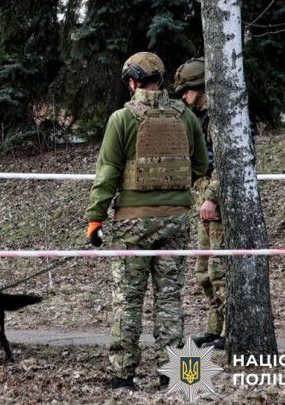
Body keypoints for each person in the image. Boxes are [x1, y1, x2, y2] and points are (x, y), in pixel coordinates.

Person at [85, 52, 208, 391]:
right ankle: (173, 376)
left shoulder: (122, 118)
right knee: (170, 299)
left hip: (132, 224)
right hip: (176, 222)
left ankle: (123, 377)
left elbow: (107, 172)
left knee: (128, 300)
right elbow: (200, 166)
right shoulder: (186, 117)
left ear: (133, 81)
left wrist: (96, 218)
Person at [174, 57, 227, 350]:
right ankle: (213, 328)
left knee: (219, 271)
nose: (183, 96)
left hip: (216, 201)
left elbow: (226, 162)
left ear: (200, 86)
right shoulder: (199, 118)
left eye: (186, 91)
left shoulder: (219, 117)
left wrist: (211, 197)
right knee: (203, 272)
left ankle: (229, 330)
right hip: (202, 196)